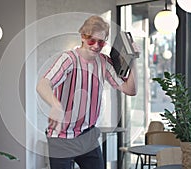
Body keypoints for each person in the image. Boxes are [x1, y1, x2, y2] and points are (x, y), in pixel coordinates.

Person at [36, 15, 138, 169]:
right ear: (83, 37)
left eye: (101, 42)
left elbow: (130, 90)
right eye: (92, 40)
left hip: (87, 135)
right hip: (61, 138)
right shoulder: (68, 59)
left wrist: (134, 59)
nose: (96, 46)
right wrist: (56, 105)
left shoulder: (103, 62)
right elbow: (43, 84)